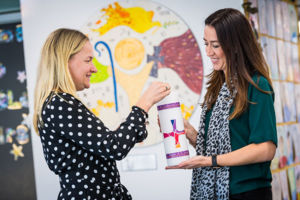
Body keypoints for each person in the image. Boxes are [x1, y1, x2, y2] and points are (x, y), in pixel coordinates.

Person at [33, 28, 170, 200]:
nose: (94, 68)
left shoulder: (61, 103)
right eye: (88, 60)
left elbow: (106, 144)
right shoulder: (59, 104)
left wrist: (134, 126)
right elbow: (113, 147)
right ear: (65, 60)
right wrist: (143, 105)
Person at [166, 8, 277, 200]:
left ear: (235, 45)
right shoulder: (218, 87)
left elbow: (265, 149)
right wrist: (189, 133)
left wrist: (211, 161)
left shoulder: (257, 85)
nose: (208, 52)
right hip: (216, 192)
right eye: (206, 44)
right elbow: (220, 147)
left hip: (247, 192)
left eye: (215, 45)